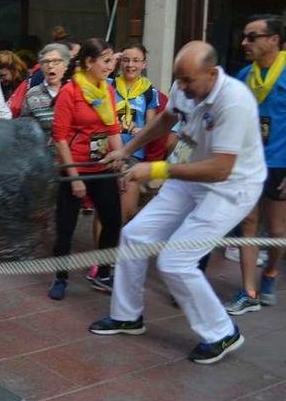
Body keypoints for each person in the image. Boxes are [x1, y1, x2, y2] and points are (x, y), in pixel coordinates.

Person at [89, 41, 266, 365]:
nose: (181, 87)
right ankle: (127, 316)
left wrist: (153, 169)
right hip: (188, 173)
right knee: (135, 235)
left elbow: (220, 168)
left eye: (187, 81)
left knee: (175, 261)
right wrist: (127, 151)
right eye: (178, 80)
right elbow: (165, 120)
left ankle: (222, 333)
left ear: (211, 74)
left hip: (229, 187)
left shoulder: (235, 102)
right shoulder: (186, 82)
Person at [48, 38, 122, 300]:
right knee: (65, 227)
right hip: (75, 166)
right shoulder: (70, 91)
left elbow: (113, 130)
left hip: (101, 166)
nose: (111, 66)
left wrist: (119, 162)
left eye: (112, 60)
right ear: (89, 62)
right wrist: (75, 178)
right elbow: (60, 137)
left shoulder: (107, 90)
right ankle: (60, 276)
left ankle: (103, 272)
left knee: (113, 221)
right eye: (105, 61)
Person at [225, 14, 286, 315]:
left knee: (276, 231)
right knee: (247, 224)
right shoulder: (243, 76)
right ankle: (249, 290)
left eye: (252, 37)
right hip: (248, 164)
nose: (244, 43)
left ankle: (271, 274)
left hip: (280, 163)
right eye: (245, 36)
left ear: (273, 40)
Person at [112, 44, 163, 223]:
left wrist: (138, 129)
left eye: (136, 60)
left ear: (144, 64)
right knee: (105, 213)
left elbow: (151, 129)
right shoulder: (108, 86)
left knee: (126, 213)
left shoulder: (150, 92)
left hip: (133, 155)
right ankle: (102, 250)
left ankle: (120, 250)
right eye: (125, 60)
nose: (130, 65)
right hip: (108, 152)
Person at [21, 43, 69, 144]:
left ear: (66, 65)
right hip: (43, 154)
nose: (50, 66)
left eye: (56, 61)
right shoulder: (32, 95)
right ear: (41, 67)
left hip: (73, 154)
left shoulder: (74, 92)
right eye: (45, 62)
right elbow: (24, 130)